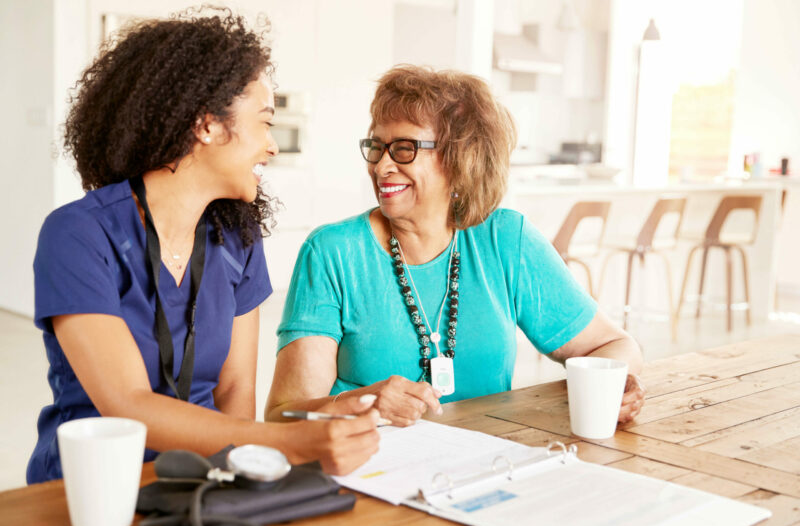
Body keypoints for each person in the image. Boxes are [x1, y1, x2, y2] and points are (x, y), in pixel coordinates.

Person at [28, 7, 378, 484]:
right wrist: (291, 444)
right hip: (91, 485)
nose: (272, 146)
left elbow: (235, 390)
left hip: (204, 480)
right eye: (264, 122)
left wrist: (241, 478)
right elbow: (127, 403)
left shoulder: (238, 239)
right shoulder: (77, 235)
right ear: (207, 125)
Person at [267, 65, 645, 427]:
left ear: (460, 159)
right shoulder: (333, 253)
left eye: (403, 149)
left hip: (488, 467)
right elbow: (284, 414)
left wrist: (617, 386)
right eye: (376, 147)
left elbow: (613, 345)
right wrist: (360, 404)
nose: (381, 167)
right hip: (371, 467)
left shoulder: (505, 240)